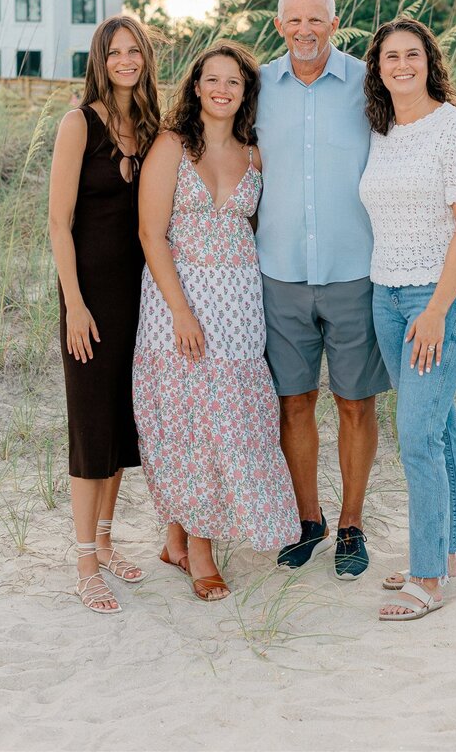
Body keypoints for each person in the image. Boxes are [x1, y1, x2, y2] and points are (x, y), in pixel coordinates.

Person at [255, 0, 456, 579]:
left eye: (317, 20)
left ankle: (352, 526)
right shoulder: (256, 87)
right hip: (280, 273)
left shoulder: (368, 86)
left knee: (358, 403)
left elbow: (430, 123)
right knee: (295, 401)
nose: (305, 30)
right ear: (279, 25)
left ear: (335, 26)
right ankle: (308, 522)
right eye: (293, 21)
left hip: (358, 276)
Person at [133, 41, 300, 601]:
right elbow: (151, 235)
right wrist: (181, 310)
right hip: (177, 302)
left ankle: (177, 537)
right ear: (197, 87)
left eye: (234, 82)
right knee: (191, 424)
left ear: (245, 92)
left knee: (226, 418)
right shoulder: (171, 146)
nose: (222, 90)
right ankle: (199, 552)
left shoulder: (255, 154)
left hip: (239, 305)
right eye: (213, 80)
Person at [359, 17, 456, 620]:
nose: (402, 66)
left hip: (443, 300)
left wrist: (436, 309)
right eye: (390, 57)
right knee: (439, 427)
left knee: (415, 436)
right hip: (386, 295)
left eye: (412, 55)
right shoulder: (381, 131)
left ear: (429, 62)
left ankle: (428, 576)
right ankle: (451, 549)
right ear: (377, 68)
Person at [49, 15, 160, 614]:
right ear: (100, 58)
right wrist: (73, 304)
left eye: (134, 50)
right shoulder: (78, 123)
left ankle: (109, 543)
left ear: (145, 57)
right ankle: (85, 562)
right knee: (91, 430)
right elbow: (57, 222)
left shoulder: (149, 126)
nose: (125, 60)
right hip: (87, 299)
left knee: (120, 427)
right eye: (115, 51)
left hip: (138, 299)